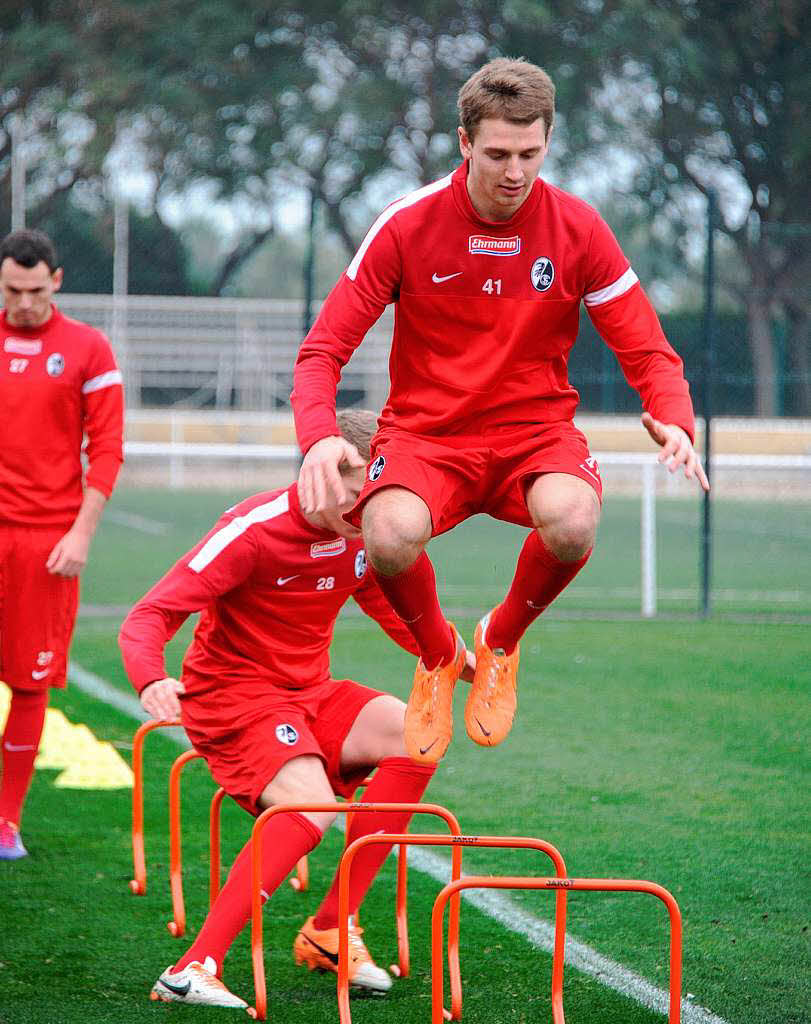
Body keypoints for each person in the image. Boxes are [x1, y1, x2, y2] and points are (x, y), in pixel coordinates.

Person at [292, 57, 709, 767]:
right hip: (427, 434)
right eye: (496, 154)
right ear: (463, 144)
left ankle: (501, 639)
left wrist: (673, 416)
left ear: (546, 143)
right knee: (386, 537)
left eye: (529, 154)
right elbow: (321, 350)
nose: (513, 172)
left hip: (532, 434)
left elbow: (648, 350)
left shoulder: (578, 230)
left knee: (574, 521)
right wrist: (317, 439)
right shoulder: (407, 226)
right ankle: (435, 657)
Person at [118, 409, 472, 1009]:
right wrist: (153, 678)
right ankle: (192, 968)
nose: (369, 512)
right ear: (321, 473)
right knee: (314, 807)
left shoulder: (365, 535)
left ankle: (332, 927)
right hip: (232, 698)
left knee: (416, 737)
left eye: (376, 497)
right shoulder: (252, 531)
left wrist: (459, 658)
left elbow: (398, 611)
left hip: (309, 692)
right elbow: (149, 615)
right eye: (359, 496)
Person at [0, 228, 124, 860]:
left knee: (30, 683)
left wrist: (80, 532)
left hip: (45, 541)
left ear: (56, 279)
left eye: (32, 288)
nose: (22, 302)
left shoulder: (88, 349)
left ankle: (7, 820)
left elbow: (107, 450)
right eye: (10, 289)